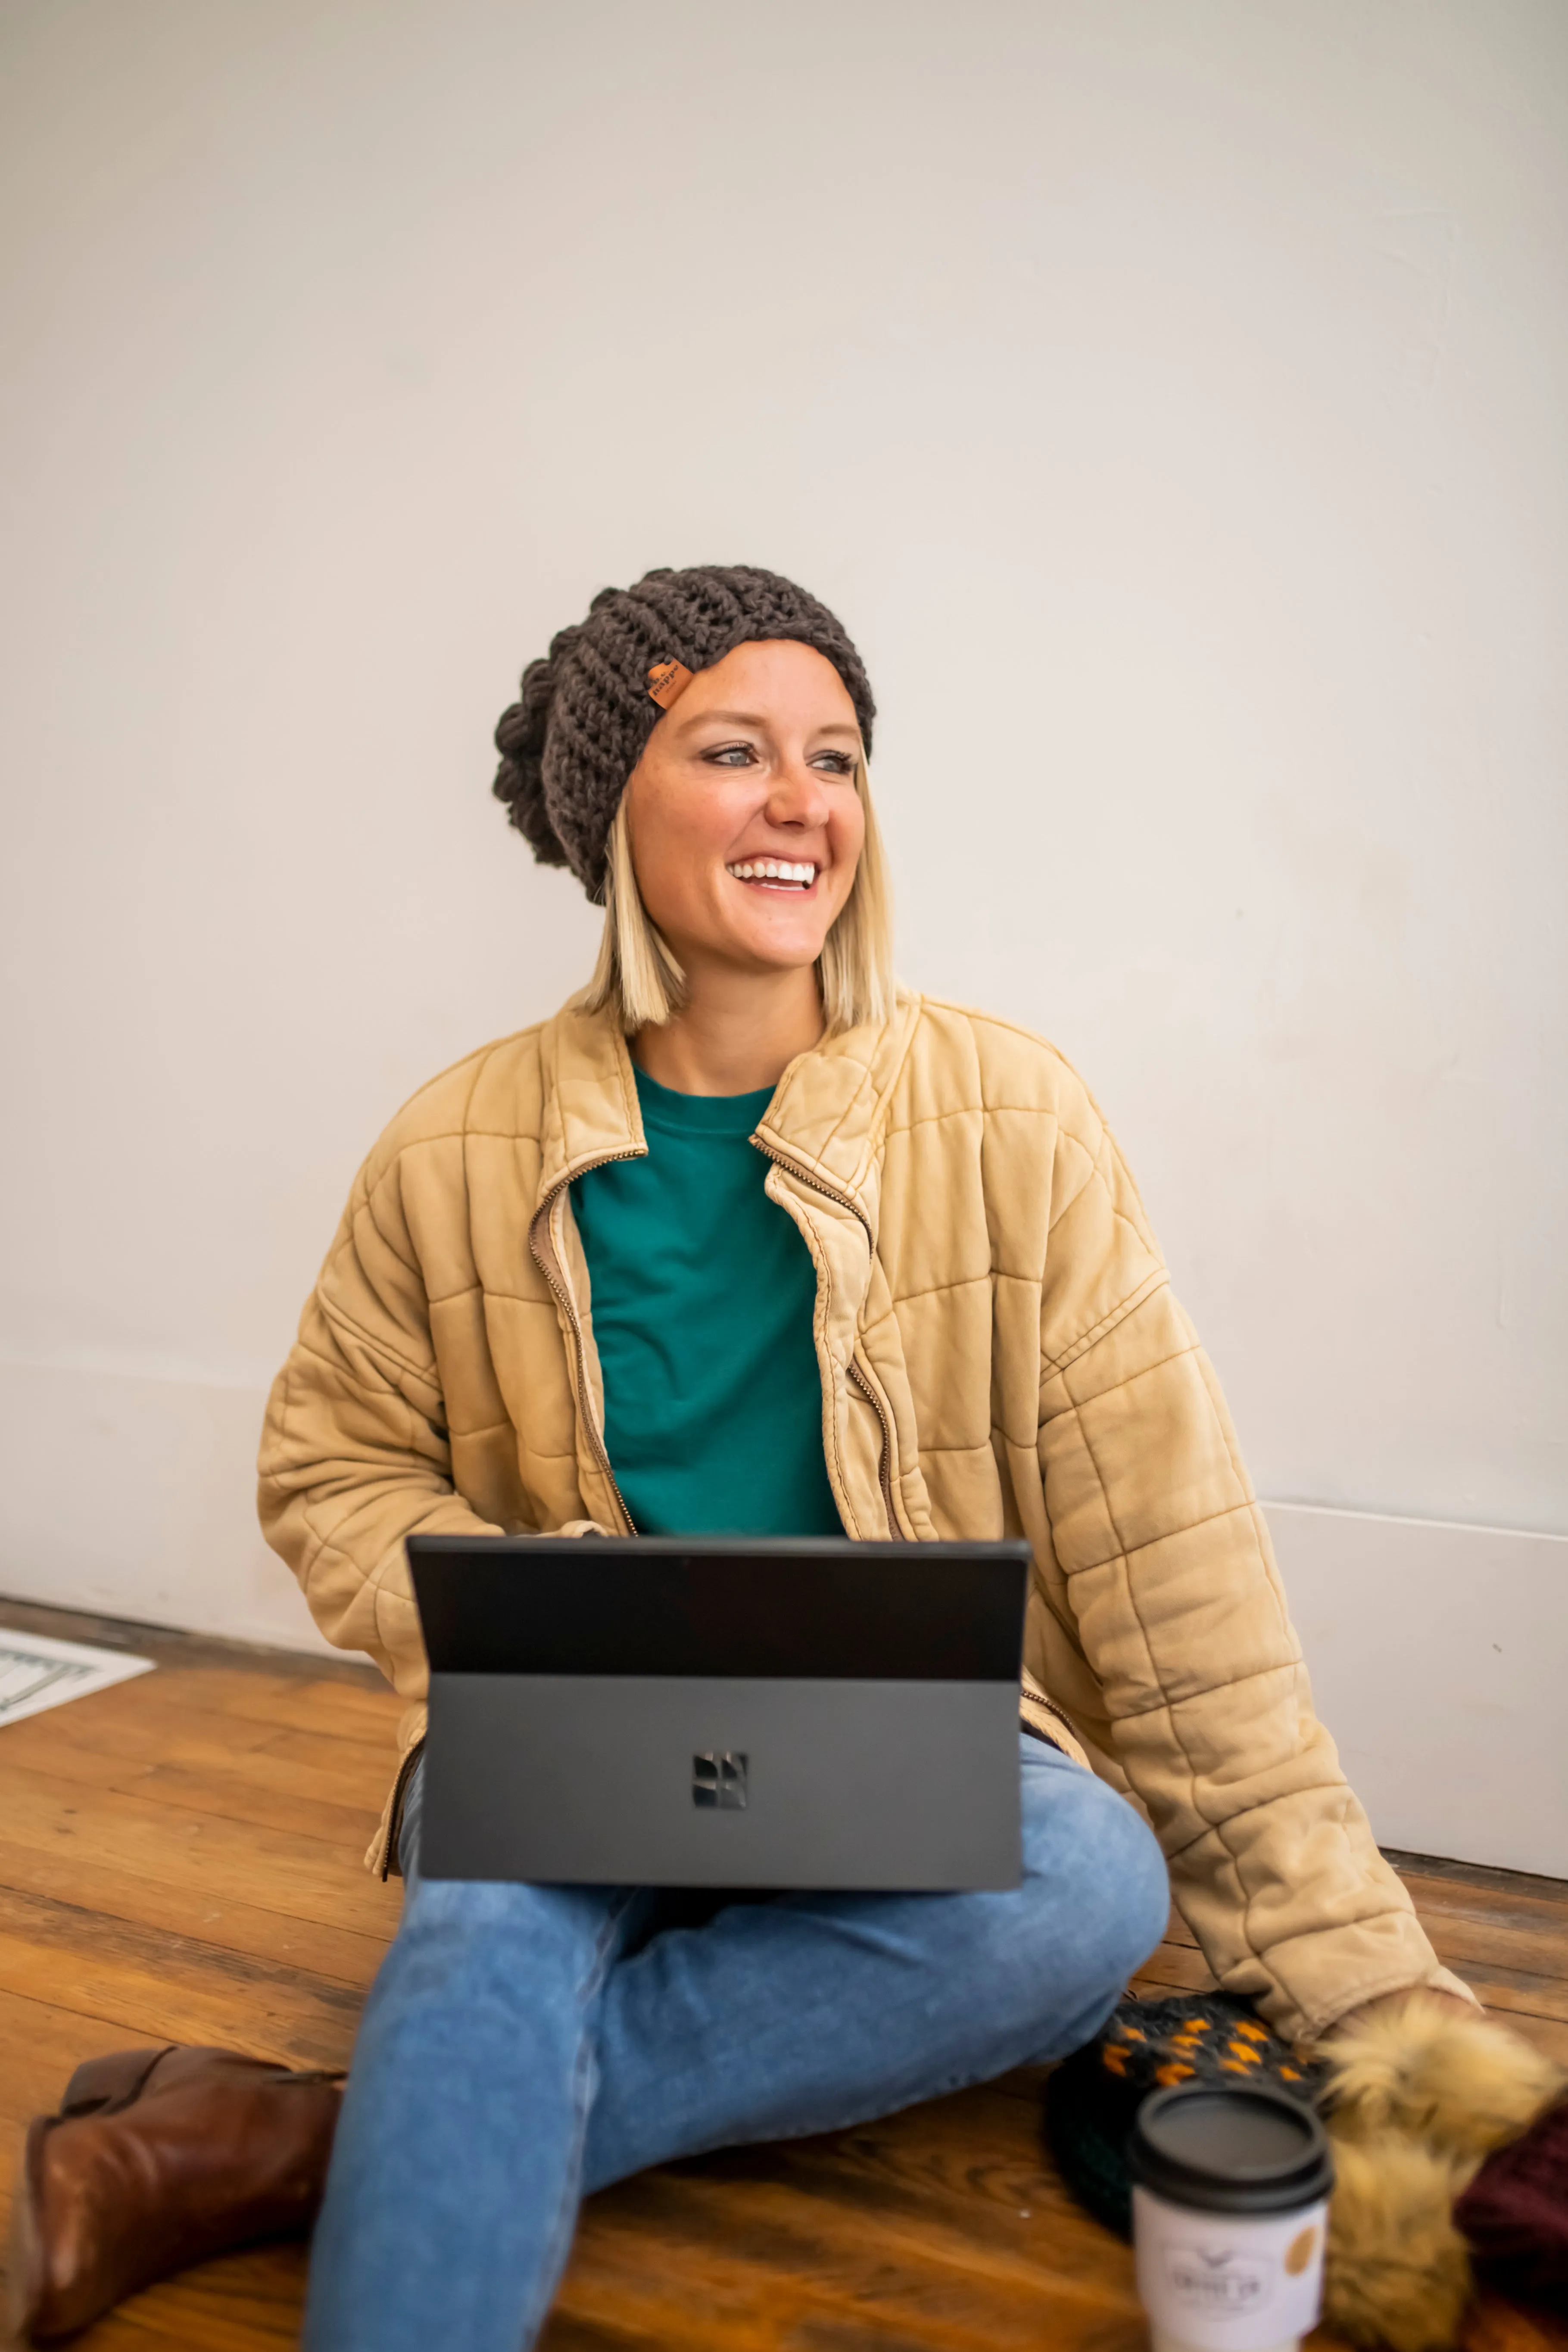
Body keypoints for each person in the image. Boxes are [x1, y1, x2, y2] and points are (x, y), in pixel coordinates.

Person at [255, 565, 1472, 2351]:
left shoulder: (1012, 1113)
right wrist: (536, 1616)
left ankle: (359, 2136)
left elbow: (1171, 1564)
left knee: (1091, 1886)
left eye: (836, 755)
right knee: (479, 1933)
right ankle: (451, 2101)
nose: (802, 800)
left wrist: (1362, 1980)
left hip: (886, 1738)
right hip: (571, 1702)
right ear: (615, 813)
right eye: (733, 748)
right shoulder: (451, 1141)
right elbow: (330, 1461)